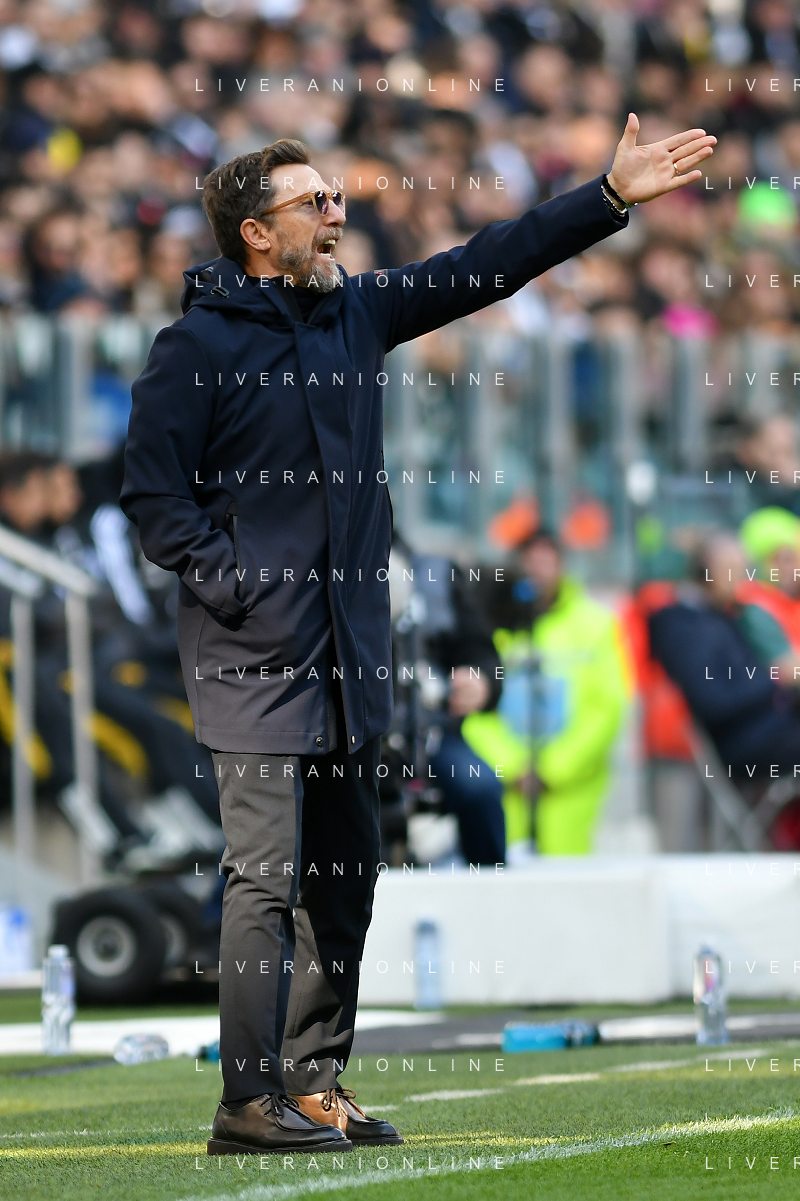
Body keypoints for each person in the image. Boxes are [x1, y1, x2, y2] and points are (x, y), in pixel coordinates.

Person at [120, 118, 716, 1156]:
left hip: (350, 655)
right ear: (257, 232)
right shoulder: (195, 347)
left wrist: (607, 198)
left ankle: (313, 1083)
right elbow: (153, 497)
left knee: (347, 871)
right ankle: (246, 1101)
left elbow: (485, 265)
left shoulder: (356, 311)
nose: (336, 213)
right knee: (264, 876)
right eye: (315, 202)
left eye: (335, 196)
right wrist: (237, 583)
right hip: (252, 655)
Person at [462, 528, 629, 856]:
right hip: (506, 793)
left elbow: (606, 709)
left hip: (571, 795)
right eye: (530, 562)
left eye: (546, 562)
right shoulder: (492, 625)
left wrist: (552, 769)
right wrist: (510, 766)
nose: (538, 572)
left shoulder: (595, 624)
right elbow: (474, 704)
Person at [649, 531, 800, 782]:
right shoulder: (683, 625)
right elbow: (713, 701)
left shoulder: (718, 615)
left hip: (767, 729)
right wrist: (776, 680)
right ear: (705, 571)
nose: (740, 580)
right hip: (748, 744)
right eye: (731, 569)